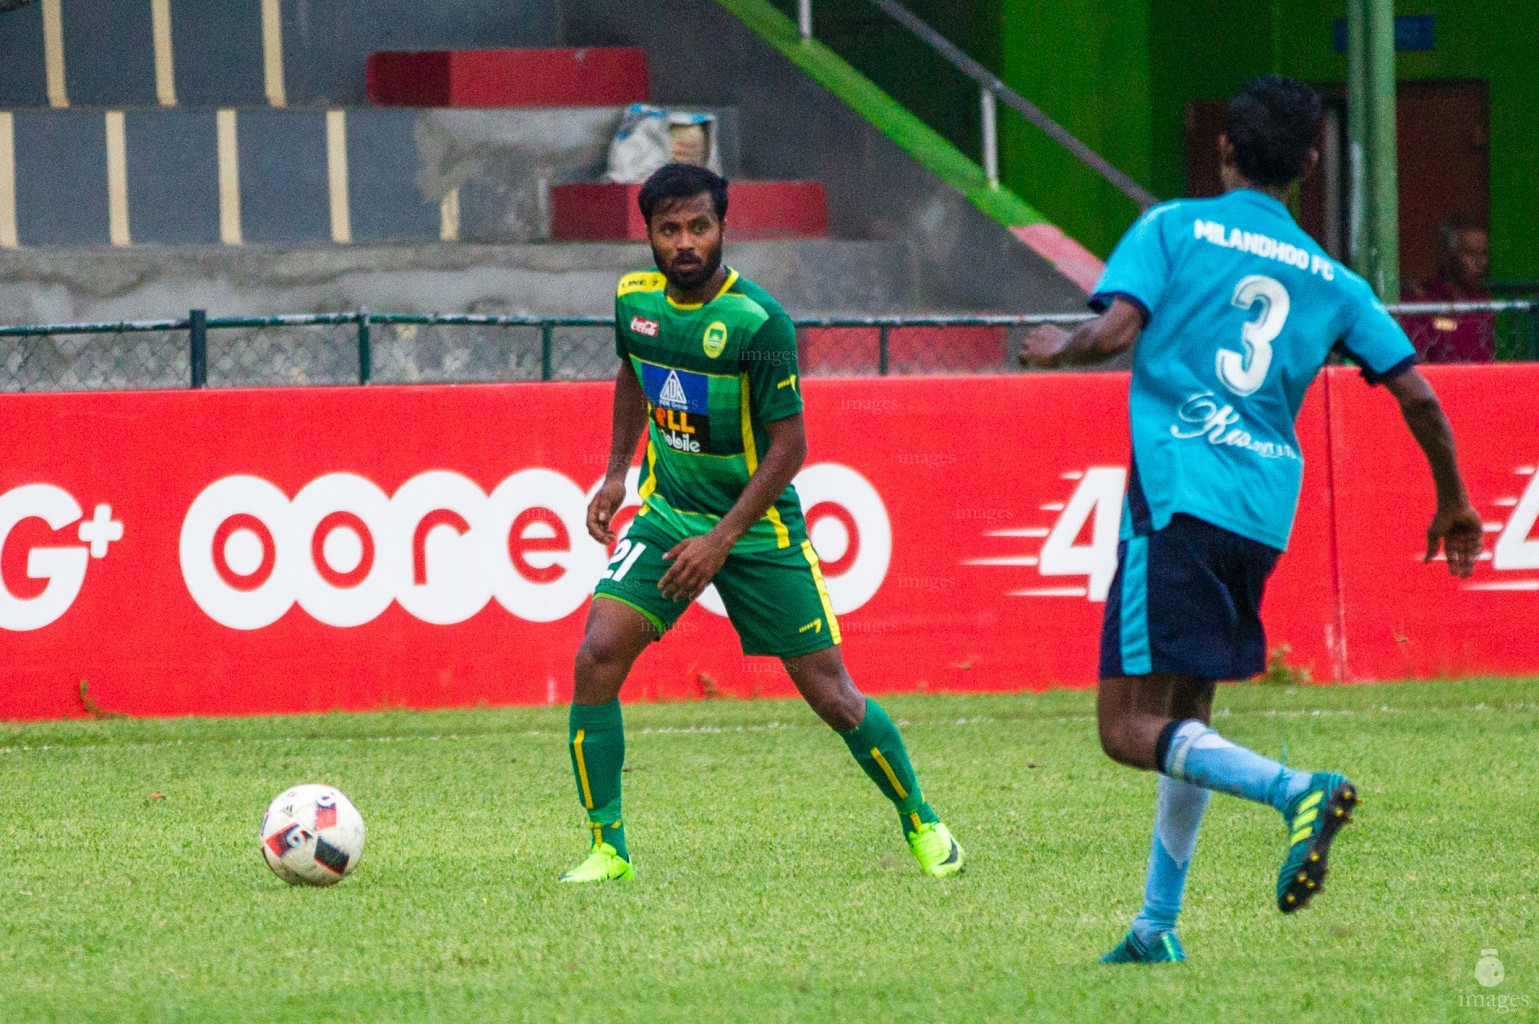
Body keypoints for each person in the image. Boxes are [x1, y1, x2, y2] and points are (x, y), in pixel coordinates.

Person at [1022, 75, 1483, 963]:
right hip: (1261, 514)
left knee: (1125, 730)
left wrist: (1055, 348)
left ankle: (1294, 791)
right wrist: (1454, 501)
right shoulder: (1335, 281)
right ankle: (1156, 928)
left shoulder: (1171, 228)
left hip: (1178, 493)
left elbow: (1113, 332)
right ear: (1309, 164)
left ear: (1223, 149)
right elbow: (1418, 396)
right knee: (1188, 713)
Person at [559, 162, 965, 883]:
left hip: (757, 530)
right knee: (596, 656)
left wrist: (721, 541)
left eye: (698, 227)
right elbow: (632, 372)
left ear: (722, 228)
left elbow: (790, 446)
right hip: (666, 513)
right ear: (649, 234)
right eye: (668, 229)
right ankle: (606, 849)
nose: (684, 242)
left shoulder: (758, 322)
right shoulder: (632, 299)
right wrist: (617, 470)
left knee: (832, 695)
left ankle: (922, 820)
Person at [1404, 218, 1496, 362]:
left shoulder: (1483, 300)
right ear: (1447, 256)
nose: (1480, 263)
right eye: (1470, 254)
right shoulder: (1424, 298)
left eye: (1483, 254)